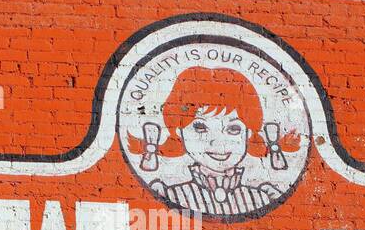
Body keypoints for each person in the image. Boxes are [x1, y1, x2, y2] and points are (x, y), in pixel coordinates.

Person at [127, 66, 300, 217]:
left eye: (233, 129)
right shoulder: (171, 195)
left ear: (248, 133)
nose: (218, 144)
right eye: (200, 127)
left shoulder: (263, 197)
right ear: (179, 131)